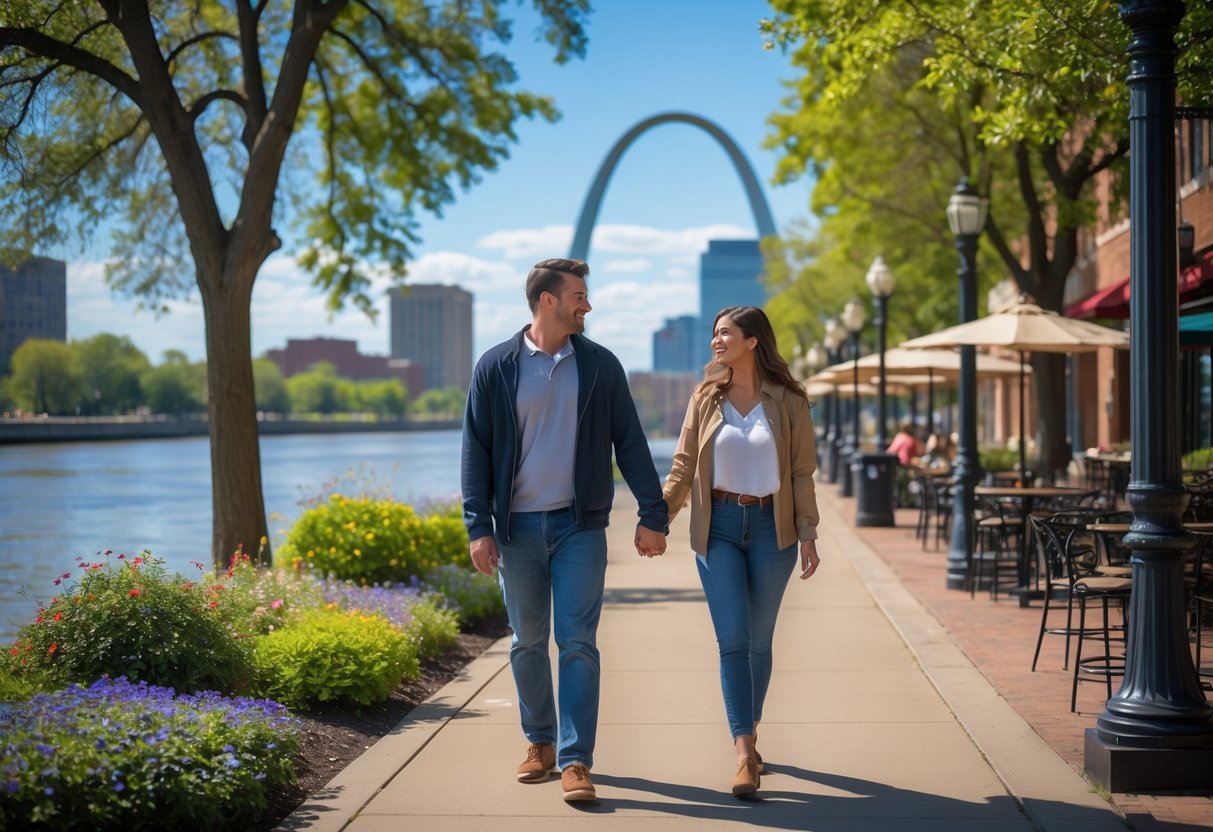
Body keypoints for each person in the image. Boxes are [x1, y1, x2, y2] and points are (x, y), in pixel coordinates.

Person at [461, 257, 669, 804]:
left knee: (577, 642)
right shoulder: (495, 366)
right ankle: (540, 743)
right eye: (578, 294)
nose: (587, 304)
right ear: (547, 300)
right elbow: (475, 451)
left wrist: (653, 514)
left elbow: (631, 442)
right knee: (527, 641)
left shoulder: (600, 365)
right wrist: (477, 525)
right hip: (516, 531)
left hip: (579, 527)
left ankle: (577, 760)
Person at [661, 306, 822, 798]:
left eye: (724, 333)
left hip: (774, 529)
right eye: (713, 334)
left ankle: (749, 725)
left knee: (759, 642)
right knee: (732, 640)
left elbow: (801, 473)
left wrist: (808, 532)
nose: (716, 341)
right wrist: (657, 519)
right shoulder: (706, 398)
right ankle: (743, 753)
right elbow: (684, 464)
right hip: (720, 527)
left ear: (753, 341)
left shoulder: (789, 401)